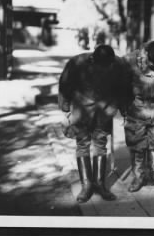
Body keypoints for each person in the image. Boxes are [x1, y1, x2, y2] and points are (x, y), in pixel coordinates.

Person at [58, 45, 127, 203]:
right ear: (93, 59)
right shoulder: (77, 62)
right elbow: (65, 83)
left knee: (100, 144)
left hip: (104, 109)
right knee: (82, 144)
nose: (105, 68)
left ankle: (100, 184)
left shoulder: (118, 64)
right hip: (81, 110)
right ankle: (87, 186)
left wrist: (123, 108)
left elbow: (123, 87)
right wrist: (65, 106)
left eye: (108, 65)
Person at [122, 41, 154, 192]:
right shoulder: (130, 60)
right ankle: (138, 177)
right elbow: (122, 86)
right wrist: (125, 107)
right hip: (136, 109)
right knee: (137, 145)